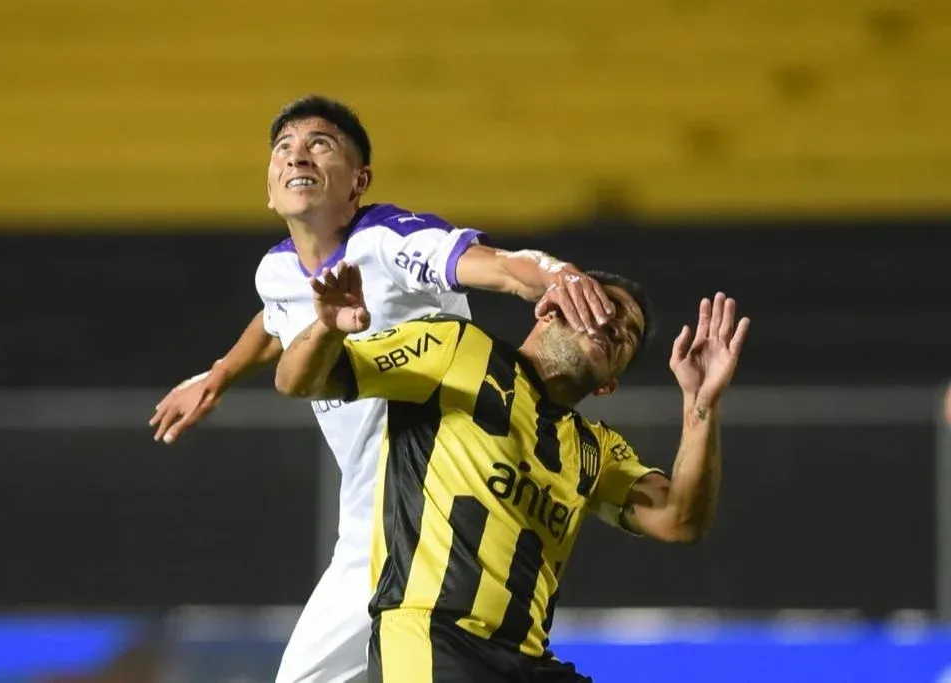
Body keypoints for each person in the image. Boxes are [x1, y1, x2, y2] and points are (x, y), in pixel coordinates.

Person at [148, 95, 619, 683]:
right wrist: (218, 375)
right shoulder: (277, 271)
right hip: (368, 526)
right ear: (269, 190)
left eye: (321, 144)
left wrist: (555, 274)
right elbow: (275, 318)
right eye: (284, 147)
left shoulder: (390, 243)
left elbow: (498, 266)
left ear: (359, 181)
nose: (298, 154)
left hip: (433, 517)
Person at [274, 261, 750, 682]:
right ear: (549, 309)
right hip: (434, 640)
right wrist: (327, 329)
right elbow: (297, 381)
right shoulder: (454, 348)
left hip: (526, 661)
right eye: (606, 307)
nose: (617, 326)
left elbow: (680, 520)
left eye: (629, 335)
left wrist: (700, 406)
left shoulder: (596, 450)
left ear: (608, 385)